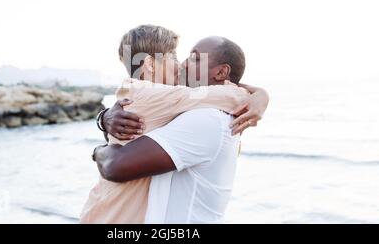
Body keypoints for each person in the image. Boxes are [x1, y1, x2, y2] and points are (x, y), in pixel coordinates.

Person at [79, 25, 269, 223]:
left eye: (193, 58)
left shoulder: (201, 115)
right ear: (151, 65)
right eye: (175, 58)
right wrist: (257, 95)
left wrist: (103, 121)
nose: (182, 65)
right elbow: (232, 96)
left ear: (221, 72)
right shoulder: (157, 97)